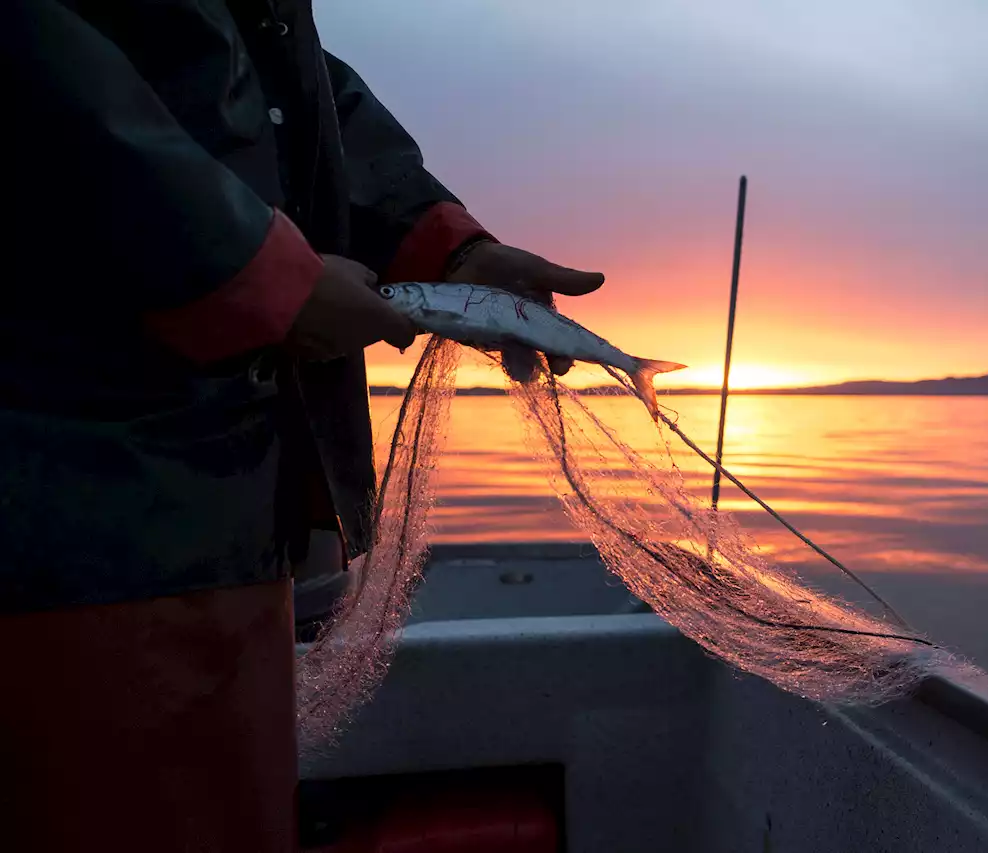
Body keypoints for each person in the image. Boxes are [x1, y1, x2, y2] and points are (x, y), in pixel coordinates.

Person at [0, 1, 603, 850]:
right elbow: (38, 68)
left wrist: (449, 248)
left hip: (230, 505)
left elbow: (276, 79)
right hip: (78, 518)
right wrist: (257, 273)